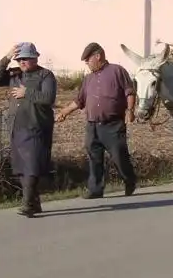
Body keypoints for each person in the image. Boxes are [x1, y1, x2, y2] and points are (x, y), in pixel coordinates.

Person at [55, 42, 138, 198]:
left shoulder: (117, 71)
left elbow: (130, 92)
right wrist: (65, 112)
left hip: (113, 125)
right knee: (94, 158)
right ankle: (96, 189)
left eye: (88, 59)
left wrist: (130, 110)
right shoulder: (88, 79)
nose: (86, 63)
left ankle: (129, 180)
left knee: (119, 156)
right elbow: (79, 101)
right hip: (92, 125)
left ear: (98, 56)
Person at [0, 41, 57, 217]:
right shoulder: (14, 75)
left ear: (35, 58)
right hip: (16, 127)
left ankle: (27, 204)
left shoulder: (45, 75)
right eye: (19, 59)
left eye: (26, 59)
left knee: (31, 166)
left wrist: (27, 93)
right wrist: (6, 57)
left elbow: (48, 98)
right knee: (21, 167)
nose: (22, 62)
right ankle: (34, 203)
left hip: (36, 126)